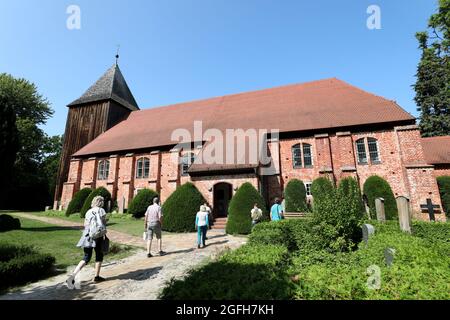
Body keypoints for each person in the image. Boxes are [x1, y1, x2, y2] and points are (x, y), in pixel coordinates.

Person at [66, 196, 108, 288]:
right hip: (98, 236)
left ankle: (72, 276)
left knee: (86, 257)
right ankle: (96, 277)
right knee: (99, 255)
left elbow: (85, 224)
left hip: (88, 236)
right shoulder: (101, 210)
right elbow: (104, 224)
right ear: (101, 203)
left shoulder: (88, 211)